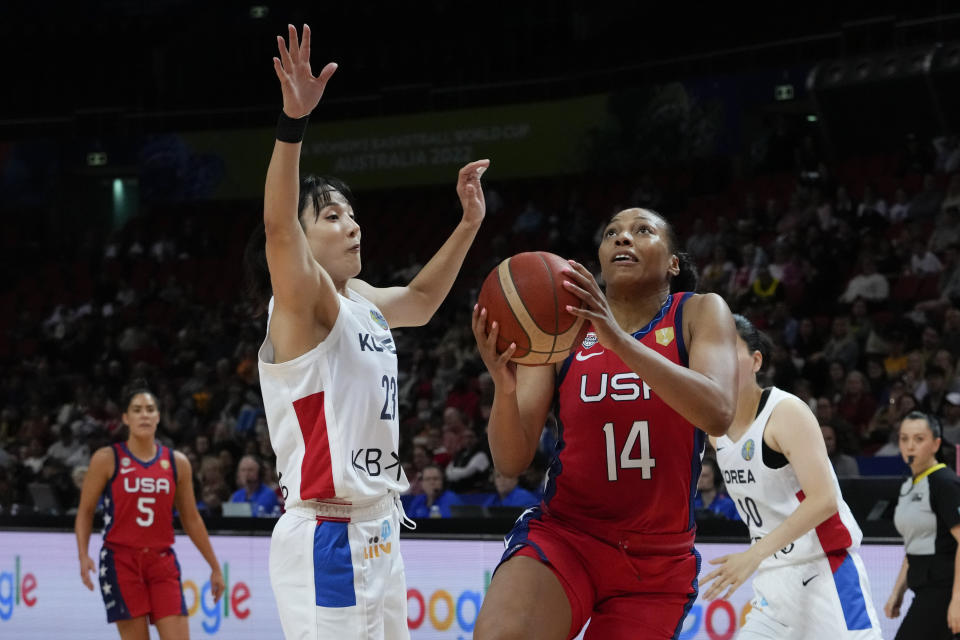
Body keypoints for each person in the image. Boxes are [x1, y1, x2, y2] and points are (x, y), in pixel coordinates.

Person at [246, 24, 489, 640]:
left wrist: (467, 224)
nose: (352, 224)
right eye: (331, 215)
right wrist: (291, 124)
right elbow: (278, 229)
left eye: (352, 213)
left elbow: (423, 300)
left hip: (380, 526)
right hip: (329, 531)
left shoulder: (360, 301)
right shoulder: (302, 304)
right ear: (305, 238)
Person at [472, 207, 739, 639]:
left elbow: (718, 413)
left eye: (642, 230)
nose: (622, 238)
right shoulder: (562, 327)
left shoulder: (698, 313)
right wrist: (503, 387)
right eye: (611, 232)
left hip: (656, 560)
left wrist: (617, 339)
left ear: (673, 263)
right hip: (567, 535)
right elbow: (510, 460)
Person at [703, 315, 882, 639]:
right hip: (773, 581)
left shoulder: (785, 412)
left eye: (731, 350)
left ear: (756, 360)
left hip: (824, 571)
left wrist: (752, 556)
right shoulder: (715, 429)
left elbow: (824, 500)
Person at [74, 384, 224, 640]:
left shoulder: (178, 463)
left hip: (162, 561)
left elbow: (191, 519)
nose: (144, 414)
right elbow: (85, 512)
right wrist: (83, 555)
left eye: (150, 409)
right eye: (137, 410)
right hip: (120, 561)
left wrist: (214, 566)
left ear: (158, 417)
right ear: (125, 418)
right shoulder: (107, 458)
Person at [885, 412, 960, 639]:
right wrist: (898, 591)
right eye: (904, 438)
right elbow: (915, 544)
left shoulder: (945, 483)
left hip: (944, 590)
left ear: (936, 443)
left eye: (919, 439)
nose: (910, 446)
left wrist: (957, 600)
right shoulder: (909, 484)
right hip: (924, 588)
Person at [695, 456, 740, 520]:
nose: (699, 480)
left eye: (705, 476)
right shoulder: (691, 503)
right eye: (698, 475)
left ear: (716, 477)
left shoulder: (730, 504)